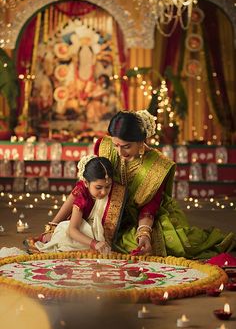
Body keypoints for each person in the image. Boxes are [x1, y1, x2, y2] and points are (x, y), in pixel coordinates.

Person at [32, 110, 235, 259]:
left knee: (170, 243)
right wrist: (53, 224)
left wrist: (144, 233)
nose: (120, 152)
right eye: (116, 145)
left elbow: (149, 207)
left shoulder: (157, 166)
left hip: (141, 219)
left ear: (141, 141)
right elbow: (82, 189)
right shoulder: (103, 147)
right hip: (104, 217)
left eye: (126, 146)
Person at [29, 155, 126, 254]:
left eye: (108, 186)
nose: (104, 192)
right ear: (86, 183)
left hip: (96, 234)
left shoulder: (114, 193)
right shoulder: (82, 196)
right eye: (98, 187)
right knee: (66, 239)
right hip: (76, 232)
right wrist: (95, 243)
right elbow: (72, 230)